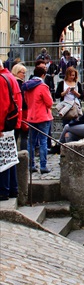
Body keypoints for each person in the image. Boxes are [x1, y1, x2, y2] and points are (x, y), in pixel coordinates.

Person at [23, 65, 53, 173]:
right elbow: (49, 103)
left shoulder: (28, 86)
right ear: (43, 75)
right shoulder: (42, 86)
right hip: (43, 117)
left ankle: (31, 165)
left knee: (31, 142)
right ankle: (43, 166)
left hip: (31, 117)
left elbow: (26, 101)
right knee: (43, 142)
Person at [0, 59, 22, 200]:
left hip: (4, 125)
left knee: (3, 159)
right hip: (12, 122)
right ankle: (13, 189)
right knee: (10, 157)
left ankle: (3, 191)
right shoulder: (9, 77)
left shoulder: (1, 79)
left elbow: (2, 106)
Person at [11, 63, 28, 151]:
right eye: (23, 73)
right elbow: (22, 100)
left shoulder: (13, 82)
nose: (24, 75)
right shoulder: (18, 83)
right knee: (23, 135)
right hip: (20, 112)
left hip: (17, 112)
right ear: (17, 72)